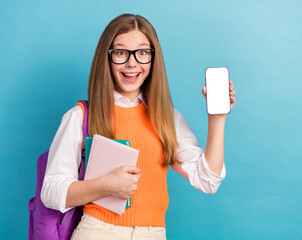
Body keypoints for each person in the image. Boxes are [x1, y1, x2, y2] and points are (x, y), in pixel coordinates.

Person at [41, 13, 236, 240]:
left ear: (153, 59)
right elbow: (51, 191)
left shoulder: (167, 118)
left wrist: (217, 119)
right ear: (107, 57)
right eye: (121, 53)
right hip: (97, 232)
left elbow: (207, 181)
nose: (132, 63)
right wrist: (105, 186)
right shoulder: (80, 116)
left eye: (142, 53)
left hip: (152, 234)